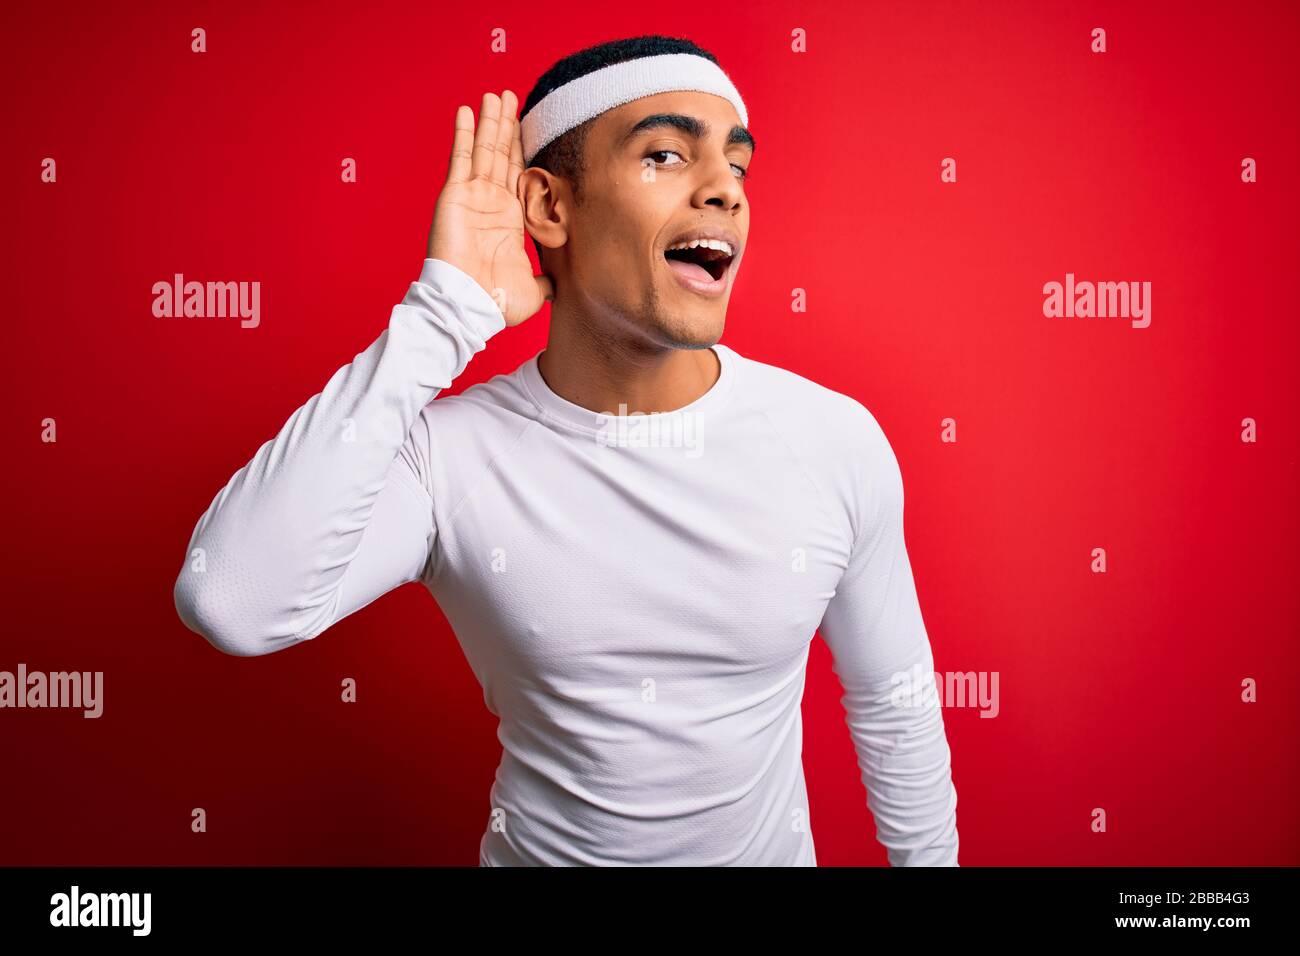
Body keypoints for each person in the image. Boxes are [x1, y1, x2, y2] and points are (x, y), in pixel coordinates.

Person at [173, 34, 959, 867]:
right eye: (664, 153)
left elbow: (894, 701)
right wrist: (444, 314)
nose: (724, 189)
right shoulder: (451, 458)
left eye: (737, 165)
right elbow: (234, 604)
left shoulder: (831, 439)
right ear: (550, 209)